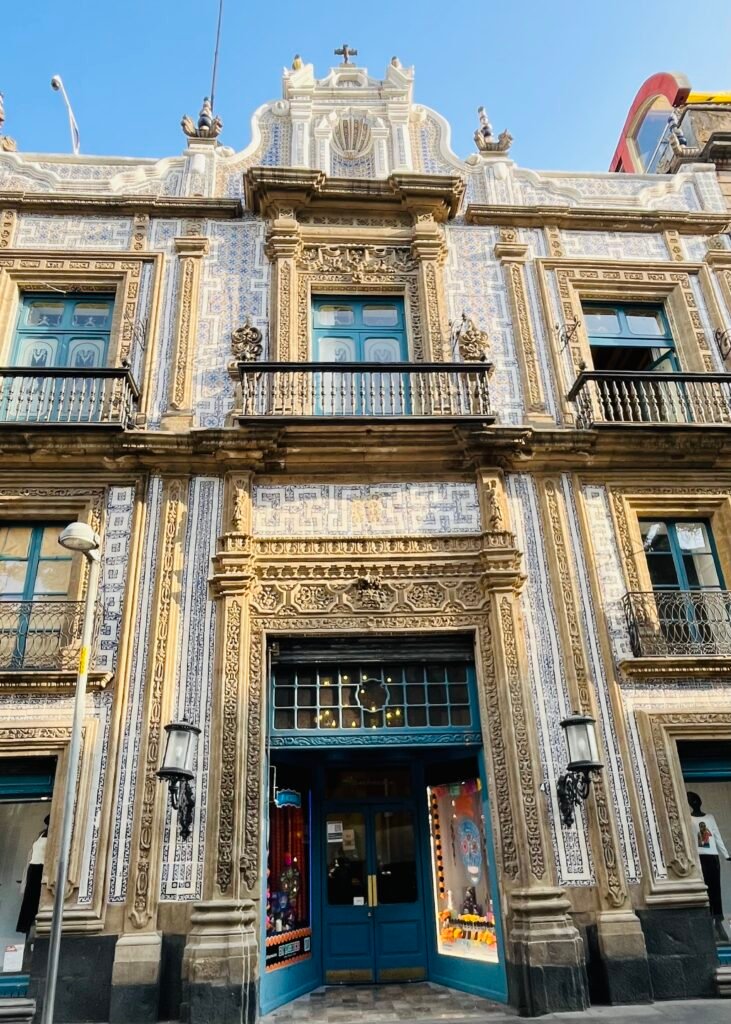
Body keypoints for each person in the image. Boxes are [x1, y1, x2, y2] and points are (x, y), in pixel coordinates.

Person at [687, 791, 730, 942]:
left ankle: (718, 921)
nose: (694, 803)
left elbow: (716, 835)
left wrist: (725, 854)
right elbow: (690, 839)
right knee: (703, 889)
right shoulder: (689, 818)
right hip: (699, 857)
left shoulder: (709, 817)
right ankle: (708, 924)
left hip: (712, 856)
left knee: (715, 889)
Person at [16, 815, 49, 934]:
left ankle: (32, 925)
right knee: (29, 899)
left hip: (41, 867)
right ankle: (26, 926)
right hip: (33, 866)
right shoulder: (41, 835)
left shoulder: (53, 836)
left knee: (35, 899)